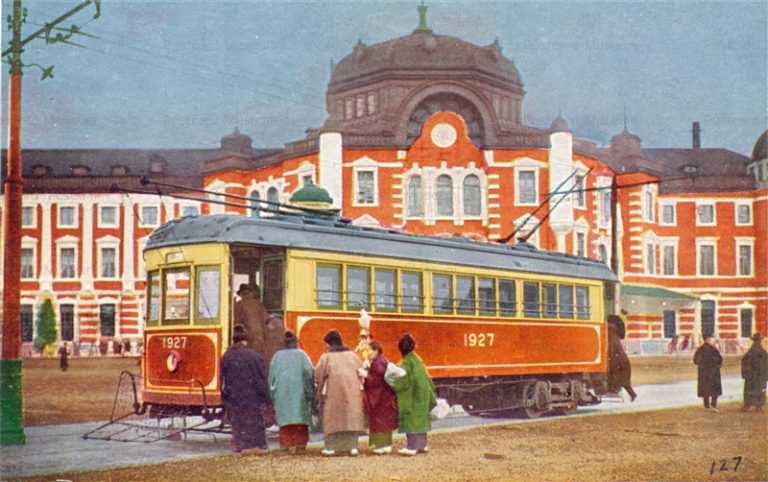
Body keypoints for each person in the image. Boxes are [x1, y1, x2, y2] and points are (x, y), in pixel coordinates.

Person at [314, 329, 366, 456]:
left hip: (334, 393)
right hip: (352, 392)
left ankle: (331, 448)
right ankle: (353, 447)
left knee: (333, 419)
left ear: (329, 344)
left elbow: (318, 375)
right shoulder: (352, 355)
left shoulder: (326, 357)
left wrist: (318, 393)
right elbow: (361, 372)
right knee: (350, 418)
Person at [221, 324, 270, 454]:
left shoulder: (226, 356)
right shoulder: (254, 356)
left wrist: (225, 396)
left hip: (234, 396)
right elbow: (261, 379)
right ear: (245, 340)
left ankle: (240, 446)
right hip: (251, 396)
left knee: (237, 422)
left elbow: (223, 379)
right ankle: (257, 446)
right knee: (254, 421)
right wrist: (266, 397)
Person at [269, 330, 315, 453]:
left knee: (285, 421)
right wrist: (310, 392)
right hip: (300, 395)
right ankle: (300, 445)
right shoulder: (302, 355)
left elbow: (271, 379)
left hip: (282, 395)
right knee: (300, 419)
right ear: (296, 342)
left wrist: (273, 395)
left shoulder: (276, 357)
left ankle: (286, 445)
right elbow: (309, 373)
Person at [391, 334, 437, 456]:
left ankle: (412, 447)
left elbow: (402, 381)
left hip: (412, 396)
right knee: (421, 420)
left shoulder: (406, 362)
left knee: (411, 420)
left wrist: (393, 384)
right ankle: (422, 445)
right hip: (423, 394)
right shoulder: (417, 359)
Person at [363, 340, 399, 454]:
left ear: (376, 351)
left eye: (369, 350)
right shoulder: (381, 360)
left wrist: (365, 374)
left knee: (379, 422)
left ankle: (381, 446)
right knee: (385, 422)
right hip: (386, 397)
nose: (367, 352)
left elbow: (376, 381)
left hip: (380, 397)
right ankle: (386, 444)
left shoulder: (377, 363)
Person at [606, 315, 637, 401]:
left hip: (618, 361)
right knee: (624, 381)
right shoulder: (615, 336)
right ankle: (631, 395)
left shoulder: (611, 335)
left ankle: (614, 391)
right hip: (622, 361)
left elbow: (611, 349)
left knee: (618, 378)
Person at [234, 284, 269, 356]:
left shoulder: (238, 305)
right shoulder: (258, 304)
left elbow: (236, 322)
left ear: (241, 294)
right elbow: (267, 320)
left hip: (248, 336)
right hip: (261, 336)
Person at [693, 335, 723, 411]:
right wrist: (717, 365)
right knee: (714, 389)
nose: (713, 340)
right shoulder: (714, 349)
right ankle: (713, 405)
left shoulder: (700, 349)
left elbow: (695, 360)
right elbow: (720, 360)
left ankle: (706, 406)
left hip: (703, 373)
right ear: (708, 339)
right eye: (712, 339)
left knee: (705, 389)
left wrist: (702, 365)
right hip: (713, 372)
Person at [740, 333, 767, 412]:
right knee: (759, 390)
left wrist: (745, 373)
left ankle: (748, 405)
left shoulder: (751, 352)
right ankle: (758, 406)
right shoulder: (763, 352)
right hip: (759, 376)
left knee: (750, 390)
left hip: (752, 376)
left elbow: (744, 362)